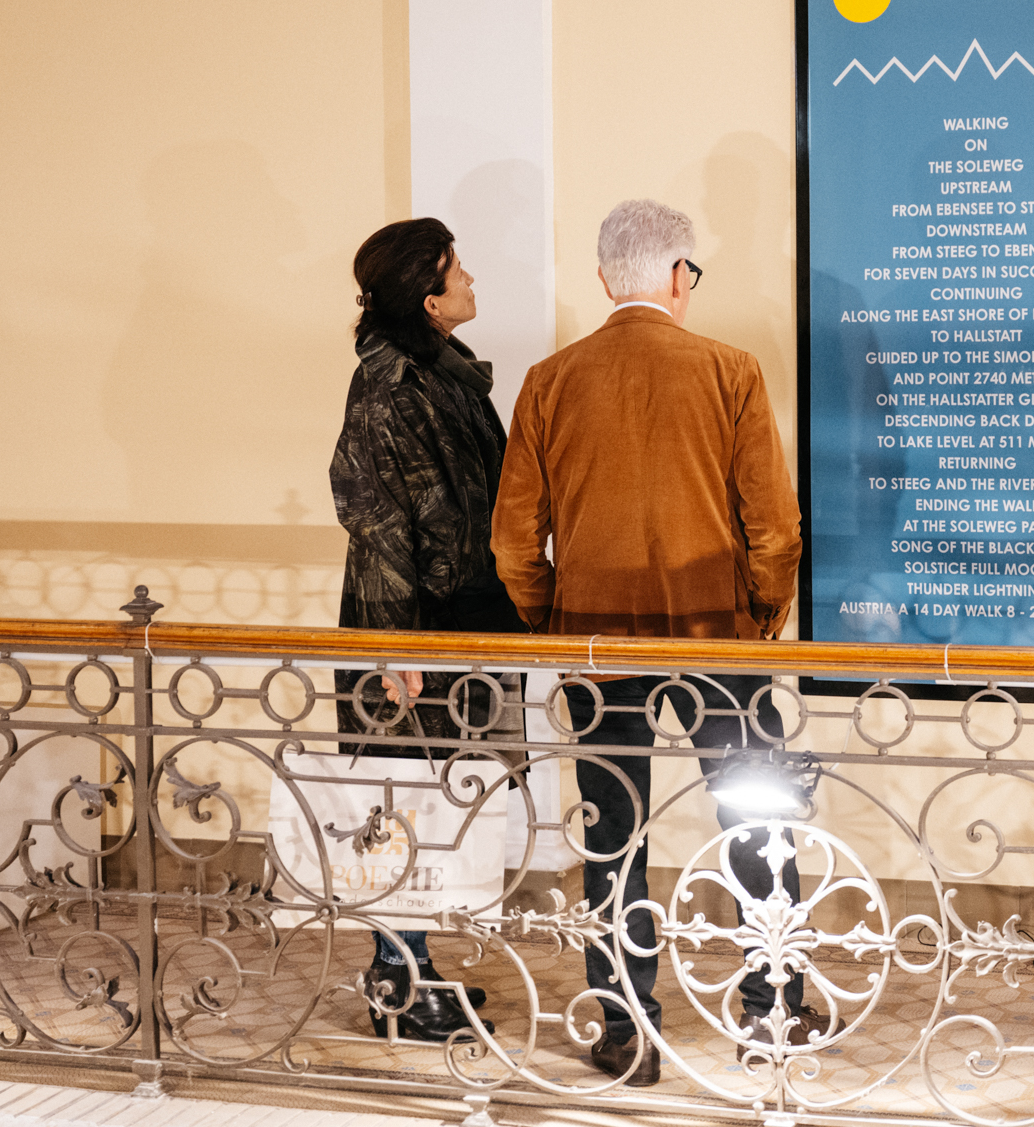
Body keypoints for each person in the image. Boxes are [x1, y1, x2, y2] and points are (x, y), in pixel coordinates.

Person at [492, 199, 821, 1086]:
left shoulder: (548, 381)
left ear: (606, 280)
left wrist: (554, 621)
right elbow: (776, 529)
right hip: (719, 642)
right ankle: (772, 1006)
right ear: (679, 276)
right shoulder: (729, 370)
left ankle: (626, 1028)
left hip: (599, 650)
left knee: (614, 837)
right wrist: (760, 618)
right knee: (757, 818)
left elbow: (513, 542)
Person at [331, 217, 524, 1043]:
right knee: (399, 802)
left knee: (438, 802)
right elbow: (375, 517)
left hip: (456, 617)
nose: (470, 278)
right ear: (428, 296)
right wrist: (393, 647)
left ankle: (411, 968)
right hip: (411, 628)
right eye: (456, 269)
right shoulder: (389, 385)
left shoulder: (444, 371)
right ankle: (397, 981)